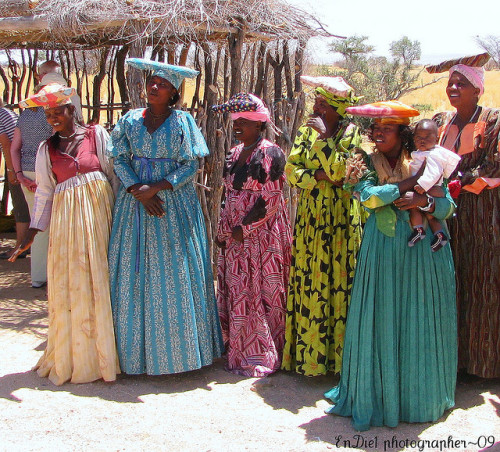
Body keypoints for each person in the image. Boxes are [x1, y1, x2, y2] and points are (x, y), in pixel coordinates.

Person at [324, 101, 457, 431]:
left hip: (423, 251)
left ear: (404, 132)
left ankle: (419, 397)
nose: (378, 132)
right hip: (382, 247)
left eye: (387, 127)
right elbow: (369, 197)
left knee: (419, 315)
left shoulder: (429, 159)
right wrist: (410, 183)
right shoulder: (364, 162)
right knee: (383, 314)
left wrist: (421, 201)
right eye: (376, 128)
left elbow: (447, 207)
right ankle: (379, 395)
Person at [107, 58, 223, 375]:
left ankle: (179, 354)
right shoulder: (129, 120)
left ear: (173, 93)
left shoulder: (183, 122)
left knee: (174, 270)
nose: (154, 87)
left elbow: (190, 165)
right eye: (152, 82)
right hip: (135, 206)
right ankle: (132, 354)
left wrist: (156, 188)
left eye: (163, 84)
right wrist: (137, 190)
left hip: (174, 204)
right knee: (135, 269)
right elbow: (119, 158)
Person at [9, 84, 119, 385]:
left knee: (102, 277)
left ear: (73, 109)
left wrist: (122, 219)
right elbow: (45, 192)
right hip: (68, 222)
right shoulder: (47, 149)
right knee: (74, 281)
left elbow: (113, 177)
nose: (53, 117)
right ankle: (80, 354)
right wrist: (32, 233)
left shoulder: (96, 136)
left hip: (100, 216)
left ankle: (109, 353)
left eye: (58, 110)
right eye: (48, 113)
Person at [281, 76, 364, 376]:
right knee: (310, 279)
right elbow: (291, 170)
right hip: (311, 218)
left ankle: (338, 363)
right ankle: (308, 359)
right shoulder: (305, 131)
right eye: (316, 101)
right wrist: (318, 177)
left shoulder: (351, 134)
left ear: (339, 110)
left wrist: (327, 141)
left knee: (337, 281)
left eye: (323, 104)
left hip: (340, 220)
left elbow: (343, 174)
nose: (316, 107)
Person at [428, 53, 500, 379]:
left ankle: (484, 364)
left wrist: (461, 181)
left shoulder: (494, 121)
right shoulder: (441, 121)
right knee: (449, 283)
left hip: (483, 220)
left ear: (478, 90)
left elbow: (493, 167)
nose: (454, 87)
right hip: (447, 218)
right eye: (451, 82)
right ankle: (452, 360)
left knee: (483, 284)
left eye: (463, 83)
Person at [212, 93, 292, 377]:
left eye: (245, 121)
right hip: (235, 234)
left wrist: (243, 228)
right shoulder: (234, 153)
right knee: (239, 288)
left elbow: (271, 199)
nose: (238, 125)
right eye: (236, 120)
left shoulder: (271, 153)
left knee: (262, 289)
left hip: (262, 235)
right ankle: (240, 347)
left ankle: (264, 351)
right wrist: (225, 229)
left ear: (259, 125)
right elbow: (228, 194)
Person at [10, 85, 53, 287]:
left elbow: (14, 148)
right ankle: (51, 273)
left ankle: (37, 276)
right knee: (51, 225)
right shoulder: (53, 114)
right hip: (48, 171)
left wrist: (19, 175)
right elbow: (55, 144)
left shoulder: (25, 115)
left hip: (27, 173)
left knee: (36, 223)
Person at [407, 119, 461, 251]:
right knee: (430, 216)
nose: (422, 140)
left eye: (427, 137)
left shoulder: (433, 155)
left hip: (430, 187)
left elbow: (434, 172)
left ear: (436, 139)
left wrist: (423, 185)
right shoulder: (422, 153)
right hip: (427, 187)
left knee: (413, 206)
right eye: (418, 137)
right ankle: (439, 235)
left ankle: (418, 229)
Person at [0, 101, 30, 259]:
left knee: (20, 205)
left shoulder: (0, 115)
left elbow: (7, 144)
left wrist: (12, 170)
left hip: (18, 162)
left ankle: (20, 247)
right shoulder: (6, 113)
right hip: (24, 161)